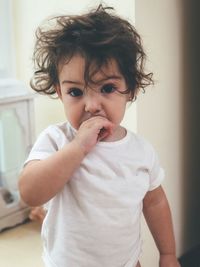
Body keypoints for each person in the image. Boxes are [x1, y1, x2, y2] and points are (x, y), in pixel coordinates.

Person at [19, 4, 180, 267]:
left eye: (107, 87)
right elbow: (30, 193)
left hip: (126, 262)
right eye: (75, 92)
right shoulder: (56, 140)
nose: (91, 105)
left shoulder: (140, 151)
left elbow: (155, 202)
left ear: (131, 89)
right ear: (59, 92)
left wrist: (168, 254)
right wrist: (77, 148)